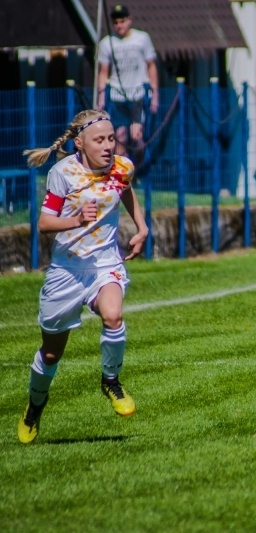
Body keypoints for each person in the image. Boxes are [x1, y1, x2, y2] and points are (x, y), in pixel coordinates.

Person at [17, 109, 149, 444]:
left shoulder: (122, 167)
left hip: (105, 264)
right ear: (80, 143)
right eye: (99, 140)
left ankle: (111, 380)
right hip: (67, 270)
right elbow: (45, 224)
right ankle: (35, 407)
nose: (108, 146)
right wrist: (75, 220)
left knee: (114, 315)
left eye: (111, 139)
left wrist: (142, 226)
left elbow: (126, 190)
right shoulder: (63, 173)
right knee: (51, 354)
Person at [96, 4, 159, 162]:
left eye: (122, 21)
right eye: (116, 22)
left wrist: (155, 94)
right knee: (119, 136)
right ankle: (124, 171)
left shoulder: (141, 39)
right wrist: (101, 98)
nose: (119, 26)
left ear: (129, 21)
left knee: (135, 134)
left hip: (137, 93)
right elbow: (103, 72)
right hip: (117, 95)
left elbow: (151, 66)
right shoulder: (107, 43)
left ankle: (138, 165)